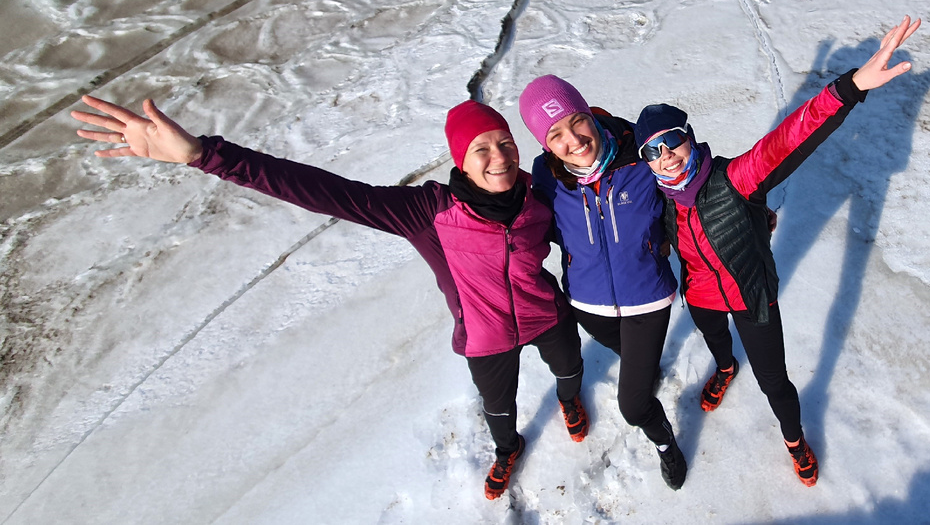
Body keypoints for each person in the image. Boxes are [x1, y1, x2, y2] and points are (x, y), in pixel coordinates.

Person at [71, 95, 588, 501]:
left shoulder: (540, 192)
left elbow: (599, 193)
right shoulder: (426, 211)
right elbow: (319, 188)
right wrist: (204, 155)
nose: (498, 156)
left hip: (548, 314)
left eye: (505, 143)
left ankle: (569, 402)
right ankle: (507, 446)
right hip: (485, 337)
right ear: (461, 160)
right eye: (482, 148)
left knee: (570, 369)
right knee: (498, 406)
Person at [632, 16, 921, 486]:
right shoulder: (661, 200)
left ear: (689, 136)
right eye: (652, 150)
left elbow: (791, 137)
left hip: (752, 297)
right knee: (717, 344)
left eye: (671, 141)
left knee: (775, 382)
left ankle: (793, 438)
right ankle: (725, 368)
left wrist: (851, 87)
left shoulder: (734, 177)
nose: (664, 155)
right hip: (702, 296)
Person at [518, 77, 686, 489]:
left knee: (633, 405)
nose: (573, 140)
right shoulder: (545, 178)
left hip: (647, 297)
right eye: (555, 134)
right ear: (544, 144)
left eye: (577, 122)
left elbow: (692, 186)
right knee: (628, 356)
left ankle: (666, 445)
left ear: (589, 113)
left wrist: (749, 215)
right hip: (587, 304)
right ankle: (642, 368)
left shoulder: (640, 154)